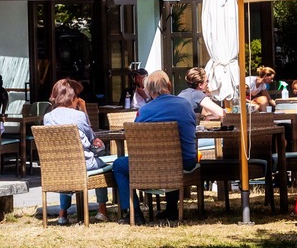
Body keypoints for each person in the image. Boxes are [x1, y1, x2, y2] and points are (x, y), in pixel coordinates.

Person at [111, 70, 196, 223]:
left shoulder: (144, 110)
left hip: (152, 163)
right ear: (169, 85)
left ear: (148, 90)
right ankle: (171, 209)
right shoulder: (185, 104)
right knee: (172, 157)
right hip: (185, 162)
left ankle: (134, 212)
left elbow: (137, 138)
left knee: (119, 165)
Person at [42, 79, 111, 224]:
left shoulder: (47, 118)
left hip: (60, 166)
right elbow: (92, 139)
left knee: (66, 161)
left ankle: (62, 214)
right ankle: (102, 210)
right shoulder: (79, 116)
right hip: (83, 164)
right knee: (105, 163)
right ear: (72, 97)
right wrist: (84, 110)